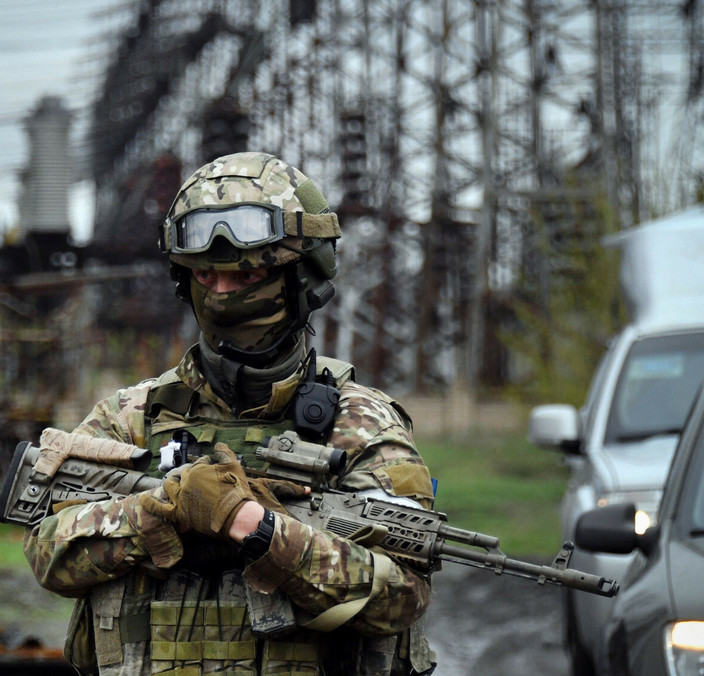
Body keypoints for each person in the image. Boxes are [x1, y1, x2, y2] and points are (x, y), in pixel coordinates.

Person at [23, 151, 436, 676]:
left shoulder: (361, 425)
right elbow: (47, 551)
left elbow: (402, 594)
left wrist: (259, 529)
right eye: (206, 277)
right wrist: (162, 512)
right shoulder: (132, 416)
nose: (221, 294)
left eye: (246, 278)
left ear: (301, 276)